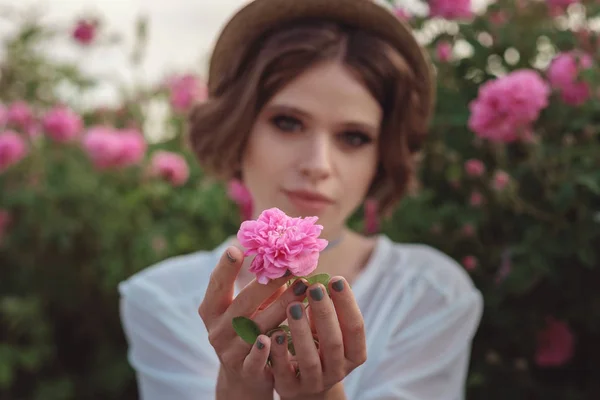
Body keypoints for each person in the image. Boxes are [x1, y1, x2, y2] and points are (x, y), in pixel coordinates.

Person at [118, 0, 484, 399]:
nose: (318, 164)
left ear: (381, 158)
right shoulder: (161, 299)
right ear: (239, 129)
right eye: (288, 123)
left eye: (353, 137)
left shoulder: (431, 292)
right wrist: (238, 390)